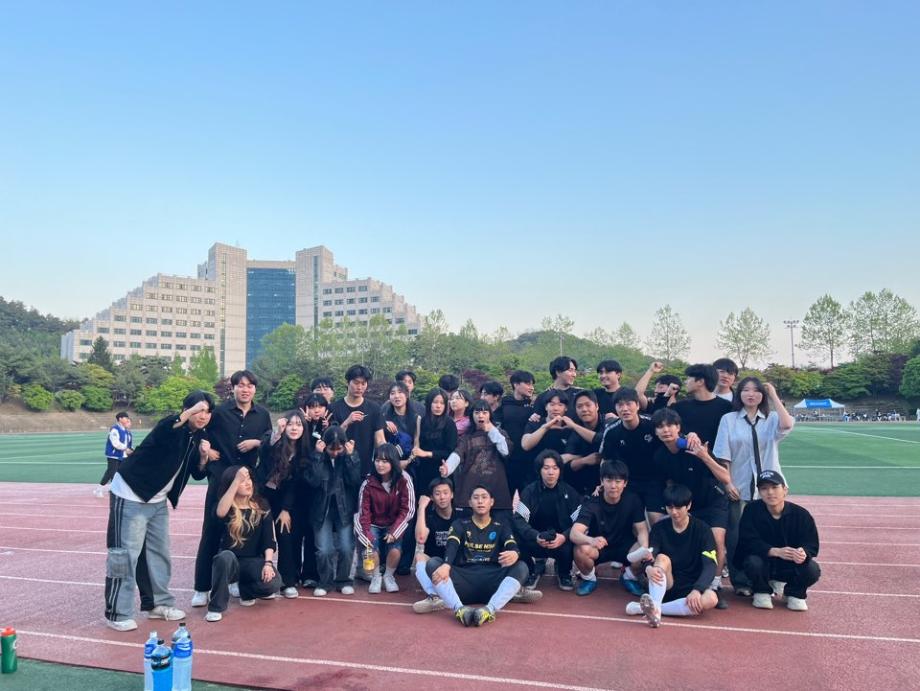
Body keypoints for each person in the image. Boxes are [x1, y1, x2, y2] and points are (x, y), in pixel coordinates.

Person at [104, 391, 214, 632]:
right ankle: (117, 612)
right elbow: (169, 428)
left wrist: (204, 457)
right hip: (131, 493)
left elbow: (197, 473)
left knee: (159, 553)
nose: (202, 415)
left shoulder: (199, 437)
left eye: (207, 411)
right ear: (186, 410)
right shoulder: (171, 426)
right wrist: (187, 414)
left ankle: (158, 604)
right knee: (125, 555)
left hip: (158, 501)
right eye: (198, 410)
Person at [192, 370, 272, 608]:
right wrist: (207, 450)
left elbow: (269, 441)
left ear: (255, 389)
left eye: (249, 386)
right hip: (221, 480)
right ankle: (202, 587)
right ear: (233, 388)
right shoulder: (218, 412)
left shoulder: (262, 414)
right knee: (211, 532)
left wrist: (256, 442)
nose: (245, 389)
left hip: (247, 484)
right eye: (240, 385)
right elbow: (199, 430)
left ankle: (236, 579)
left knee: (244, 532)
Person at [713, 378, 795, 596]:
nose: (751, 394)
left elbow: (787, 425)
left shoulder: (772, 418)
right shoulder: (729, 419)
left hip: (770, 489)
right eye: (746, 390)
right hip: (739, 486)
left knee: (771, 534)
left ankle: (769, 579)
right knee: (737, 536)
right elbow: (723, 454)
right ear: (739, 393)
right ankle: (741, 581)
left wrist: (773, 394)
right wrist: (728, 483)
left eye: (757, 391)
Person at [652, 407, 731, 608]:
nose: (666, 430)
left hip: (712, 501)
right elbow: (668, 483)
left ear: (678, 427)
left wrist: (703, 455)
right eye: (660, 427)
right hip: (686, 504)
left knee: (717, 539)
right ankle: (679, 583)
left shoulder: (694, 446)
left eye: (670, 425)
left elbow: (725, 477)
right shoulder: (660, 456)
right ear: (656, 432)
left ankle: (714, 586)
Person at [425, 485, 538, 626]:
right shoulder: (460, 524)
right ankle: (460, 609)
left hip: (493, 581)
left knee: (522, 567)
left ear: (491, 502)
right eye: (476, 498)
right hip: (463, 581)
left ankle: (489, 609)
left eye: (484, 497)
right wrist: (446, 565)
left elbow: (512, 545)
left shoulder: (501, 525)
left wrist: (515, 553)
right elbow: (451, 545)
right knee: (433, 563)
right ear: (470, 502)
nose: (480, 501)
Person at [625, 484, 719, 628]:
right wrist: (648, 567)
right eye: (670, 507)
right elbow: (651, 553)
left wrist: (697, 589)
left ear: (689, 505)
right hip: (665, 584)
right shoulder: (659, 528)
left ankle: (649, 609)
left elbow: (710, 565)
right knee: (662, 558)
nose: (674, 512)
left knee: (711, 599)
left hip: (691, 586)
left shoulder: (703, 530)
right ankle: (656, 606)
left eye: (678, 507)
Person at [735, 470, 821, 611]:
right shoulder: (751, 511)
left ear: (785, 490)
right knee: (752, 562)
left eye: (775, 487)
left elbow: (811, 543)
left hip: (790, 564)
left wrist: (803, 552)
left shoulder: (801, 515)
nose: (770, 492)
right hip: (764, 563)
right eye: (764, 488)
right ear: (759, 492)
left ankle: (794, 593)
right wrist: (773, 551)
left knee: (812, 569)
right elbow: (747, 541)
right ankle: (761, 590)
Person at [205, 466, 282, 622]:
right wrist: (236, 481)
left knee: (273, 584)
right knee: (224, 557)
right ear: (231, 485)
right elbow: (220, 513)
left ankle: (244, 590)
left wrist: (268, 564)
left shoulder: (261, 505)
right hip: (230, 561)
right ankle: (216, 607)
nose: (247, 484)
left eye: (249, 480)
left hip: (252, 561)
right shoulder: (226, 507)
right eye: (242, 481)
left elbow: (269, 539)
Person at [570, 460, 650, 597]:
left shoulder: (633, 500)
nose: (613, 486)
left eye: (618, 481)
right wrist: (591, 540)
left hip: (625, 547)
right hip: (599, 547)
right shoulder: (592, 502)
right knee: (580, 549)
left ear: (625, 483)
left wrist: (644, 548)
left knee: (645, 548)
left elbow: (642, 529)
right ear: (602, 481)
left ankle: (629, 577)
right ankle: (589, 578)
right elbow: (574, 533)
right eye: (609, 480)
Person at [303, 426, 363, 596]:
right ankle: (325, 582)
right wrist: (317, 456)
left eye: (339, 449)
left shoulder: (351, 456)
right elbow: (313, 482)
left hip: (344, 509)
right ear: (324, 445)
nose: (335, 453)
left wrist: (351, 457)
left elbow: (354, 481)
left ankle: (343, 580)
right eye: (331, 449)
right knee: (324, 549)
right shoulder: (316, 456)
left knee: (346, 547)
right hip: (322, 509)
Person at [256, 410, 309, 599]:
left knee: (286, 535)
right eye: (290, 424)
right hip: (261, 494)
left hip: (284, 498)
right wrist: (277, 433)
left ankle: (288, 581)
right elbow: (263, 450)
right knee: (260, 535)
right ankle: (257, 580)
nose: (294, 428)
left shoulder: (303, 451)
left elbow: (294, 484)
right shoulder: (274, 442)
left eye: (299, 424)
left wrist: (286, 509)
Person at [513, 450, 580, 590]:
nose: (551, 472)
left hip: (561, 541)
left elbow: (580, 522)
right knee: (515, 535)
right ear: (539, 470)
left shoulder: (570, 492)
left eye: (555, 468)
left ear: (560, 471)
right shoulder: (529, 491)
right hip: (537, 539)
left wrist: (564, 536)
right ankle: (532, 570)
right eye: (546, 468)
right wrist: (535, 535)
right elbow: (519, 519)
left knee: (576, 537)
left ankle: (564, 572)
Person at [355, 443, 416, 593]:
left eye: (385, 461)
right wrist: (367, 535)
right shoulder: (368, 483)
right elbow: (363, 513)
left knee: (395, 550)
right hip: (373, 523)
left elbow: (408, 510)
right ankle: (376, 577)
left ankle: (389, 576)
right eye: (377, 460)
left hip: (394, 523)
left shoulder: (404, 479)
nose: (380, 465)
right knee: (371, 548)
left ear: (393, 462)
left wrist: (394, 532)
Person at [599, 388, 666, 523]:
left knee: (656, 520)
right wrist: (602, 483)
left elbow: (674, 437)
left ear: (638, 405)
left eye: (629, 404)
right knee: (629, 521)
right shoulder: (611, 431)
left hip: (654, 479)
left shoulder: (652, 424)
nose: (625, 409)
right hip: (628, 482)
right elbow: (605, 460)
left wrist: (691, 436)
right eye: (620, 405)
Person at [443, 400, 513, 512]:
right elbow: (458, 453)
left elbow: (505, 451)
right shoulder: (467, 437)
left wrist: (492, 430)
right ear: (472, 416)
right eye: (477, 412)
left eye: (484, 412)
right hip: (471, 486)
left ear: (490, 415)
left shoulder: (500, 433)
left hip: (496, 486)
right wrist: (447, 467)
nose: (481, 415)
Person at [330, 364, 385, 476]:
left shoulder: (374, 408)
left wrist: (386, 458)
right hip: (339, 470)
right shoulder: (333, 408)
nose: (359, 387)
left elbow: (380, 440)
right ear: (347, 382)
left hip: (366, 469)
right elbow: (331, 439)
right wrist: (346, 422)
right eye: (356, 383)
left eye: (363, 383)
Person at [413, 478, 456, 613]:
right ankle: (434, 596)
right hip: (434, 564)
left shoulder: (460, 514)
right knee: (419, 556)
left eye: (445, 493)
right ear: (431, 497)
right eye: (437, 493)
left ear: (452, 495)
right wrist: (421, 508)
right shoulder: (429, 516)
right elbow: (420, 538)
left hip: (455, 564)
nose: (442, 497)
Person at [412, 388, 458, 498]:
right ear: (429, 403)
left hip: (442, 469)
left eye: (442, 403)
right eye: (435, 402)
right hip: (423, 469)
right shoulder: (422, 421)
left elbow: (450, 451)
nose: (438, 406)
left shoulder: (449, 423)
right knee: (423, 499)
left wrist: (427, 453)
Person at [672, 364, 733, 448]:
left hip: (713, 455)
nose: (685, 382)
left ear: (700, 381)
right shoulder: (680, 406)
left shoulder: (726, 407)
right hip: (684, 454)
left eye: (688, 378)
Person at [497, 370, 535, 496]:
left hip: (528, 461)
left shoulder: (534, 406)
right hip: (508, 461)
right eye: (528, 384)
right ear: (516, 384)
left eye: (532, 384)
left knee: (527, 500)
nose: (531, 387)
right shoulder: (504, 404)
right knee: (505, 498)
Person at [560, 390, 604, 497]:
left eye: (588, 405)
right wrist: (585, 460)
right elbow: (567, 464)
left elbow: (601, 439)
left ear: (597, 406)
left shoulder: (607, 422)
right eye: (579, 406)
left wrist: (574, 426)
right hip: (582, 485)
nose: (584, 409)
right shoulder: (574, 432)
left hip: (608, 483)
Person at [95, 411, 134, 497]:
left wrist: (132, 451)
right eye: (126, 418)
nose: (128, 420)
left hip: (122, 456)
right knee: (111, 472)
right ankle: (99, 489)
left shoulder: (127, 432)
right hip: (114, 455)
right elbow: (115, 443)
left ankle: (113, 489)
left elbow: (128, 445)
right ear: (120, 419)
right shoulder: (115, 430)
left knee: (119, 474)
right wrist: (126, 449)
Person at [382, 381, 420, 464]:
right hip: (388, 463)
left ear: (407, 395)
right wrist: (383, 424)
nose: (396, 396)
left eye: (400, 392)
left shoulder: (416, 418)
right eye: (392, 393)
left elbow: (416, 444)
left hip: (410, 462)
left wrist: (408, 461)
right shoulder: (384, 418)